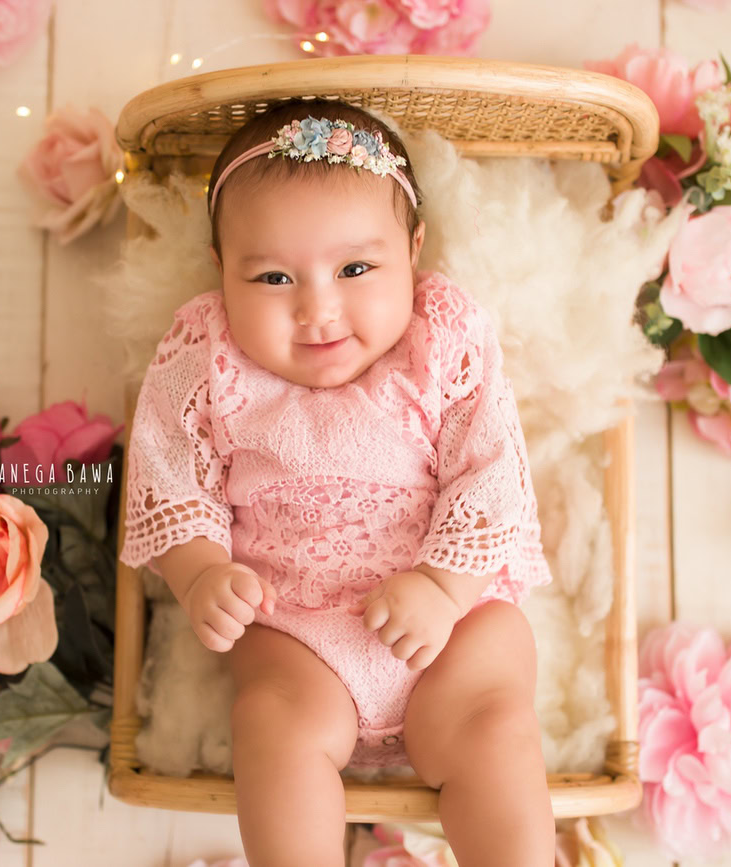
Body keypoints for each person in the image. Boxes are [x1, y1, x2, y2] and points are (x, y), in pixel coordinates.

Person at [120, 98, 555, 867]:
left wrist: (444, 587)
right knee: (270, 720)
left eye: (356, 269)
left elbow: (491, 468)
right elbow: (168, 469)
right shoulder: (206, 352)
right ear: (221, 268)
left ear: (413, 249)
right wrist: (199, 574)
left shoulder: (441, 336)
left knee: (493, 716)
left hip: (452, 627)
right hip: (296, 635)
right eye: (273, 276)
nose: (318, 309)